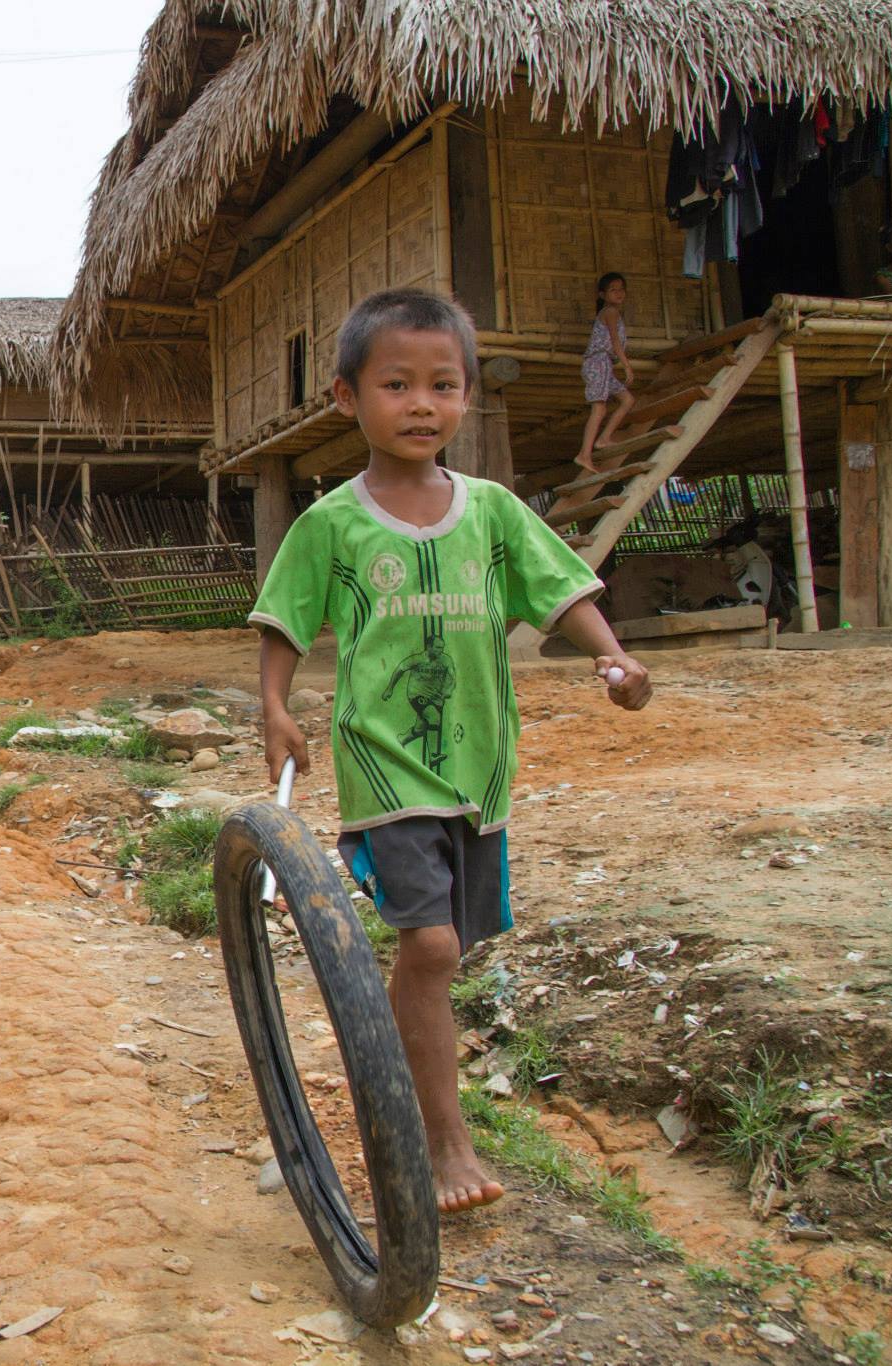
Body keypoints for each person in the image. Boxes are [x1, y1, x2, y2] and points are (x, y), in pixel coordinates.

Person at [252, 287, 652, 1215]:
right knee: (429, 944)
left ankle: (397, 1056)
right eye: (398, 384)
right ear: (349, 398)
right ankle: (441, 1141)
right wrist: (274, 707)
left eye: (443, 384)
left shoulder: (494, 513)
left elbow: (563, 593)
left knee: (447, 949)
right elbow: (284, 623)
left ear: (467, 397)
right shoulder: (332, 524)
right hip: (383, 759)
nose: (423, 404)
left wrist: (616, 661)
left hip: (479, 768)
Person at [574, 273, 635, 472]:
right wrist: (626, 365)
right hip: (598, 363)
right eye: (613, 290)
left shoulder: (613, 312)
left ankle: (604, 438)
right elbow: (615, 341)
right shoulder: (610, 312)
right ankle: (584, 454)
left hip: (604, 365)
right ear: (603, 294)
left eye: (621, 289)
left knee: (627, 400)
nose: (619, 293)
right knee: (599, 408)